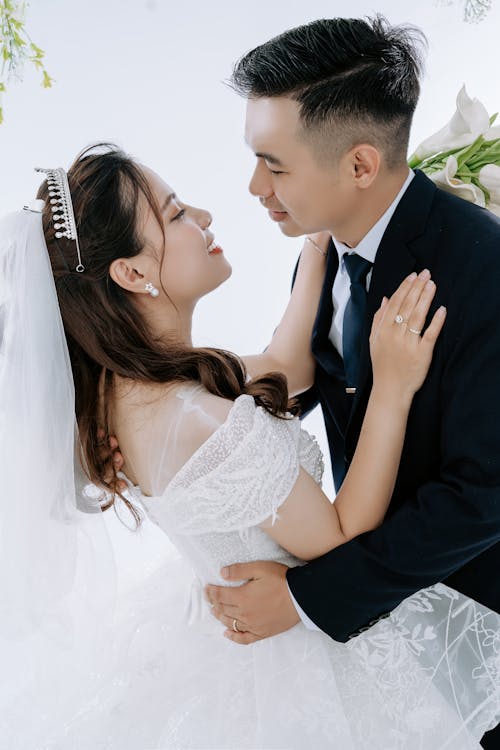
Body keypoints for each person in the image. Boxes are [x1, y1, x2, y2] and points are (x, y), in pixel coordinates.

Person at [1, 142, 498, 749]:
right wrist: (391, 386)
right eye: (177, 213)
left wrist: (322, 236)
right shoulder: (196, 420)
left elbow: (288, 362)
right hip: (307, 668)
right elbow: (343, 530)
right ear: (130, 273)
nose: (205, 218)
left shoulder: (140, 394)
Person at [202, 16, 500, 749]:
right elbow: (304, 388)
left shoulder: (483, 269)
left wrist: (306, 601)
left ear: (361, 165)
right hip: (401, 645)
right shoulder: (325, 252)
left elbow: (485, 493)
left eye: (274, 165)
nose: (252, 187)